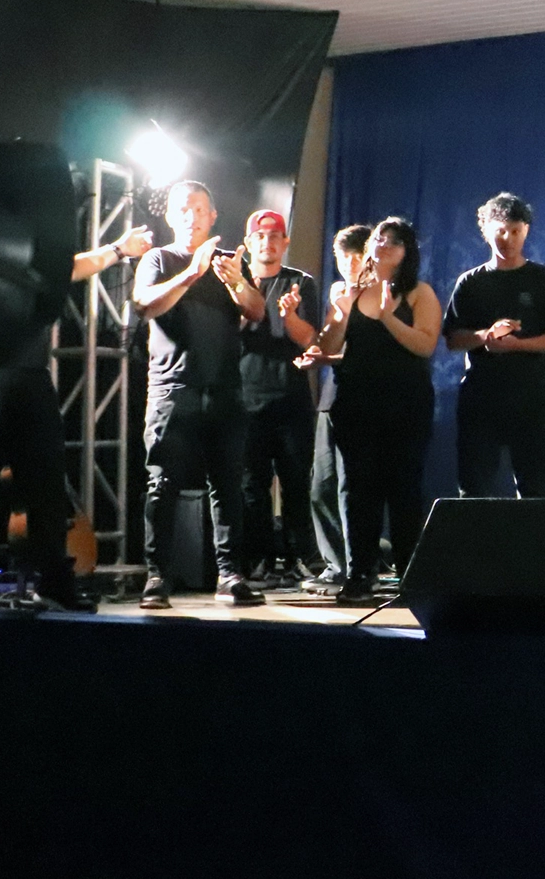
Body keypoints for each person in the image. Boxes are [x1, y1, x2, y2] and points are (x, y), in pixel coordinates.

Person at [0, 223, 154, 611]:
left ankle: (54, 580)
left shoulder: (29, 237)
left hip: (29, 372)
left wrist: (118, 249)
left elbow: (67, 269)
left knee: (47, 478)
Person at [132, 181, 267, 609]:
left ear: (213, 217)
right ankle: (157, 577)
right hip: (174, 391)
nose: (191, 215)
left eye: (200, 209)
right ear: (171, 216)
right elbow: (144, 305)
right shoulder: (160, 258)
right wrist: (191, 273)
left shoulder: (227, 264)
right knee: (162, 485)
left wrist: (237, 284)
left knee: (228, 487)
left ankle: (229, 575)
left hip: (225, 391)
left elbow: (256, 311)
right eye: (183, 209)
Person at [317, 216, 441, 605]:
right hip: (356, 404)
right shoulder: (346, 290)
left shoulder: (420, 293)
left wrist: (388, 316)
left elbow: (425, 346)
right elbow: (328, 344)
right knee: (357, 491)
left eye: (395, 241)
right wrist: (341, 310)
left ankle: (408, 575)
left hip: (406, 405)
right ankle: (358, 574)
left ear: (407, 252)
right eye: (379, 239)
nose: (384, 245)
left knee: (404, 490)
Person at [443, 194, 545, 499]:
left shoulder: (543, 279)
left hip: (532, 397)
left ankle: (533, 547)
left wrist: (517, 345)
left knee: (536, 486)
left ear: (525, 230)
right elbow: (452, 339)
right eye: (500, 231)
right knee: (474, 486)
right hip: (481, 397)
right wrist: (486, 337)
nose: (508, 239)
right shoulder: (470, 282)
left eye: (515, 231)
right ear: (486, 231)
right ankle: (477, 546)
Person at [238, 209, 319, 587]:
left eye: (274, 236)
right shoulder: (235, 283)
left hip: (291, 399)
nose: (267, 242)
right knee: (251, 486)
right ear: (248, 243)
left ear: (285, 242)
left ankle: (300, 558)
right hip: (245, 399)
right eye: (260, 236)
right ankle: (260, 562)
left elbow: (310, 340)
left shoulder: (300, 283)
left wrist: (289, 318)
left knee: (296, 483)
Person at [293, 224, 369, 597]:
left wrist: (329, 355)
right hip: (333, 396)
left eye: (358, 256)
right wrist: (318, 352)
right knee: (321, 486)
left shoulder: (383, 294)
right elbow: (328, 338)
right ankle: (335, 565)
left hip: (368, 396)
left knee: (353, 489)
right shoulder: (339, 292)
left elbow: (369, 352)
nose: (350, 264)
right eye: (343, 258)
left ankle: (358, 568)